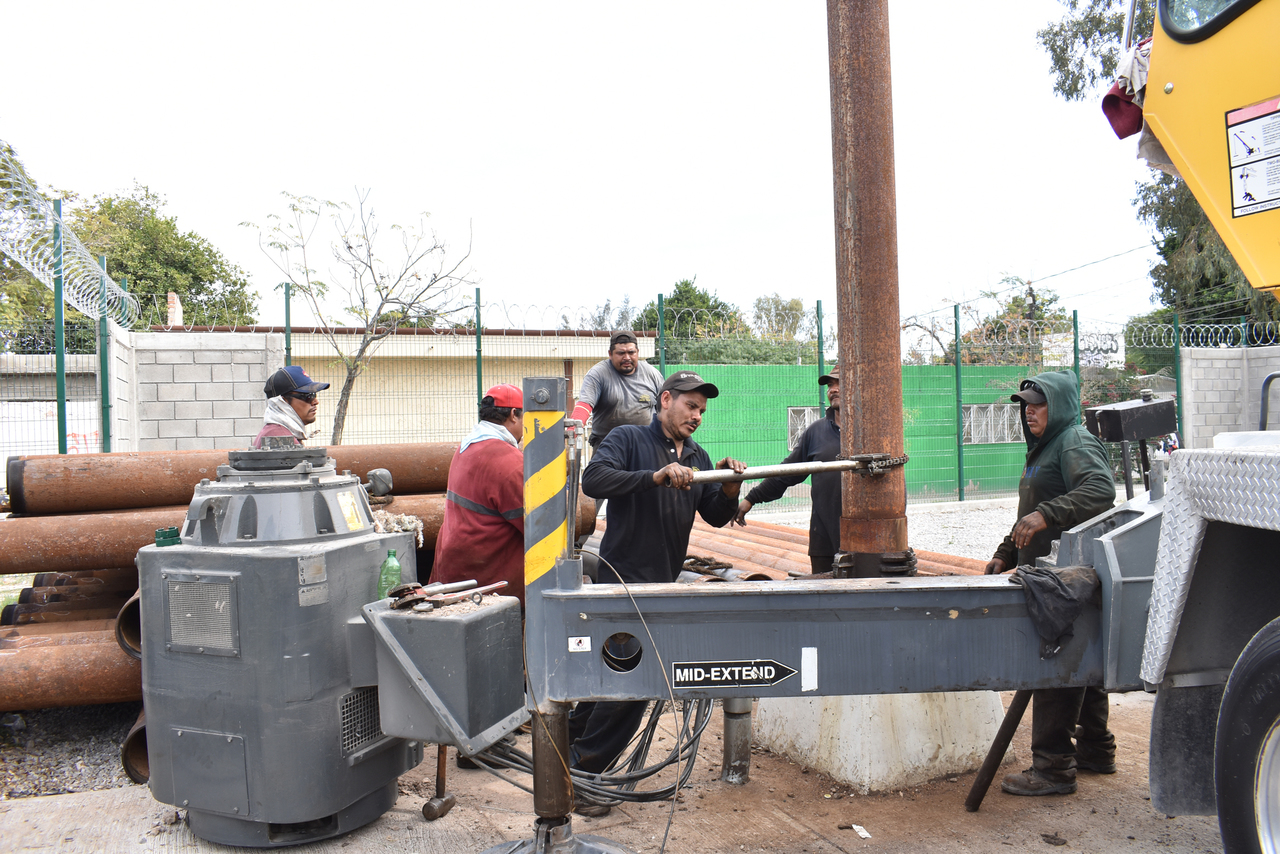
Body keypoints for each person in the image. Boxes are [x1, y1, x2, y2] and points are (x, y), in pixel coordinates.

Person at [571, 370, 746, 816]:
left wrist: (730, 486)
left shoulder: (699, 456)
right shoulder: (628, 439)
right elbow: (594, 480)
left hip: (661, 585)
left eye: (703, 410)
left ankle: (566, 763)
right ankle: (585, 779)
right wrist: (655, 477)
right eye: (691, 406)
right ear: (665, 400)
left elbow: (715, 515)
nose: (697, 416)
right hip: (623, 581)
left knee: (606, 682)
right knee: (631, 686)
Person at [983, 370, 1118, 797]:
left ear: (1058, 406)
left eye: (1037, 405)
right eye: (1024, 405)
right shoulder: (1045, 448)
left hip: (1066, 575)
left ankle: (1054, 767)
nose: (1029, 413)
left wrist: (1046, 516)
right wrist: (1006, 550)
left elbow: (1100, 489)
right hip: (1056, 572)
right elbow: (1032, 507)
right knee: (1084, 659)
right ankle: (1095, 748)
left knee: (1056, 663)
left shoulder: (1073, 440)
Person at [733, 364, 843, 574]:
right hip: (824, 540)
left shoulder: (872, 436)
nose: (832, 389)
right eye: (830, 384)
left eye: (840, 383)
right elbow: (787, 472)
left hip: (866, 539)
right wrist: (751, 498)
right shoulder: (816, 432)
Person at [430, 384, 526, 607]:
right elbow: (539, 526)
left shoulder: (468, 446)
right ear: (513, 414)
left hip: (455, 570)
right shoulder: (508, 461)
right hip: (486, 580)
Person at [571, 331, 665, 450]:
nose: (627, 358)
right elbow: (584, 405)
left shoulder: (652, 374)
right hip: (607, 447)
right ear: (610, 354)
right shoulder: (598, 374)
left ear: (638, 352)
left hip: (645, 446)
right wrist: (571, 433)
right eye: (621, 353)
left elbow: (667, 408)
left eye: (631, 352)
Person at [253, 365, 330, 449]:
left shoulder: (281, 432)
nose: (315, 401)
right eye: (308, 396)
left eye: (314, 394)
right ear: (282, 402)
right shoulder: (279, 438)